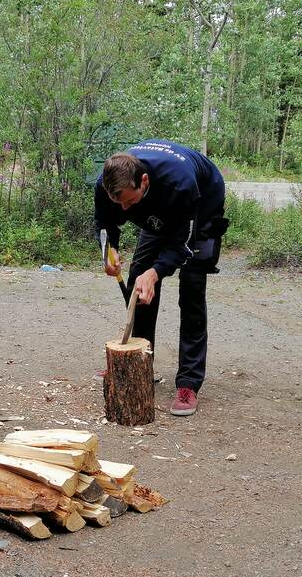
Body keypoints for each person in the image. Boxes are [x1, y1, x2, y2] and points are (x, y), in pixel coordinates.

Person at [95, 139, 228, 417]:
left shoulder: (181, 183)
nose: (125, 211)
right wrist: (109, 250)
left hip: (199, 207)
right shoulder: (107, 184)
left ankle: (188, 383)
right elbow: (106, 222)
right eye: (118, 202)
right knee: (137, 281)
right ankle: (140, 362)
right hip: (159, 211)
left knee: (191, 287)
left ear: (143, 181)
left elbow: (184, 243)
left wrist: (156, 273)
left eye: (129, 202)